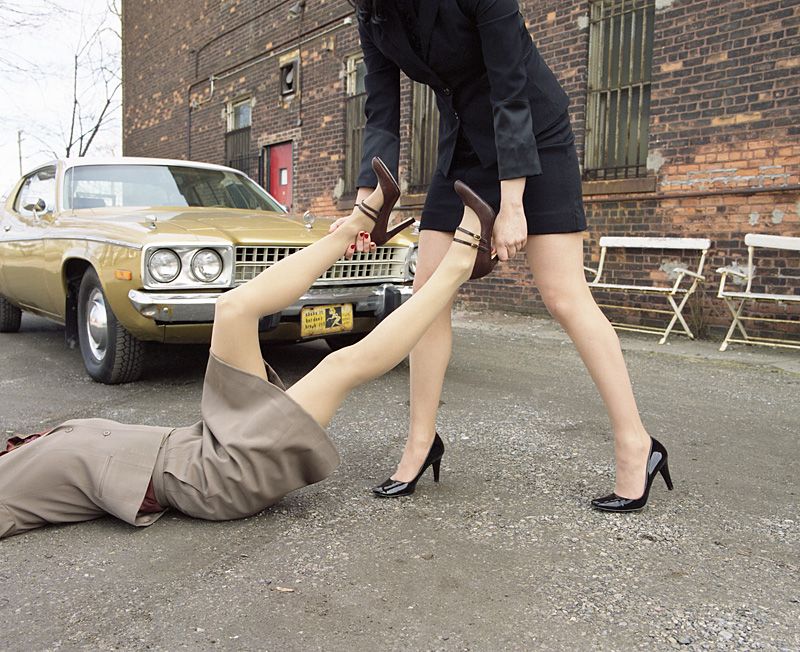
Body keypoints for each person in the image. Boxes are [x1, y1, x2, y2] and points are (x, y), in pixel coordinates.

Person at [0, 161, 499, 539]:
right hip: (218, 474)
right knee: (339, 365)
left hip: (206, 434)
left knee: (233, 307)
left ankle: (357, 224)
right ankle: (458, 266)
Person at [342, 0, 672, 511]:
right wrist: (367, 203)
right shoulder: (372, 13)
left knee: (563, 296)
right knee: (426, 300)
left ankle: (636, 444)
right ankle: (421, 442)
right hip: (463, 147)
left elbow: (510, 86)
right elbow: (381, 110)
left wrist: (513, 202)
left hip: (534, 136)